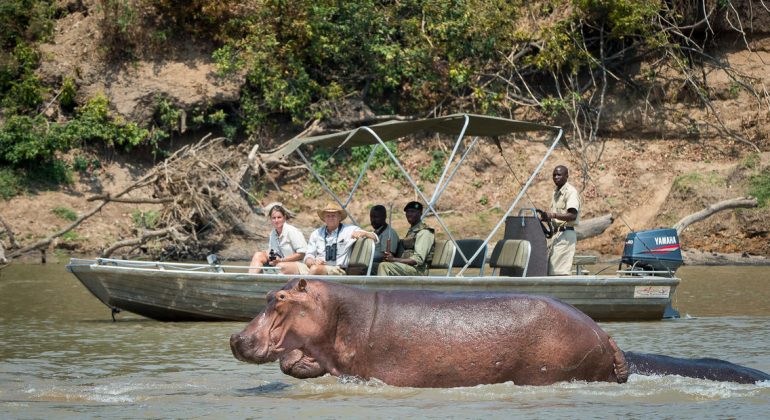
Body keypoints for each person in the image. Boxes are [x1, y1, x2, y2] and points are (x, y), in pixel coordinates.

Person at [304, 202, 378, 275]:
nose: (330, 218)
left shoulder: (349, 230)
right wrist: (312, 262)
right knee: (293, 267)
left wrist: (363, 233)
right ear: (324, 218)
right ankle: (302, 284)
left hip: (338, 270)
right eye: (328, 216)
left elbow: (375, 238)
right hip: (315, 266)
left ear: (339, 217)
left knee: (315, 269)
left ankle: (303, 285)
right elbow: (309, 255)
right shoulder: (316, 233)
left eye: (333, 215)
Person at [378, 201, 435, 276]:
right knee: (372, 267)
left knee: (384, 266)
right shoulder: (412, 232)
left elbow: (418, 260)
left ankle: (383, 288)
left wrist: (394, 259)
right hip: (407, 267)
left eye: (413, 211)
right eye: (407, 212)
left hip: (419, 270)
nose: (409, 214)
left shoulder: (424, 232)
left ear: (420, 213)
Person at [249, 203, 308, 274]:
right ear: (271, 219)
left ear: (284, 218)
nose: (276, 220)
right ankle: (251, 281)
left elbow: (302, 254)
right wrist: (270, 256)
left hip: (298, 265)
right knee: (258, 255)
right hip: (279, 263)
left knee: (280, 266)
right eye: (274, 218)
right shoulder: (273, 234)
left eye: (279, 217)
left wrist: (281, 260)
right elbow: (273, 252)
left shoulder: (292, 231)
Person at [545, 165, 581, 275]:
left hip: (565, 235)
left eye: (559, 175)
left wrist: (553, 215)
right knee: (551, 269)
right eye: (554, 175)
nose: (556, 177)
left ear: (566, 176)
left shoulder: (570, 192)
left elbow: (572, 215)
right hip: (555, 234)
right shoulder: (556, 192)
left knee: (559, 271)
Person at [369, 204, 399, 273]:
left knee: (363, 268)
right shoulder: (376, 232)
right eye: (371, 217)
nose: (373, 220)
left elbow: (385, 256)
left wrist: (367, 257)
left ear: (384, 217)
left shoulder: (389, 233)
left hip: (385, 267)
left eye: (376, 217)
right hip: (375, 263)